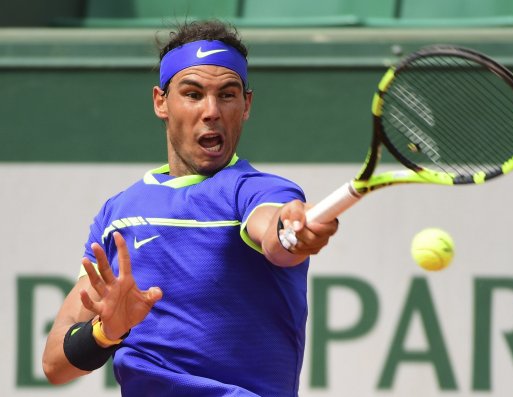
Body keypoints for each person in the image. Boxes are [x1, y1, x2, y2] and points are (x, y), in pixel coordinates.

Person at [42, 19, 338, 397]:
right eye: (193, 94)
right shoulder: (118, 213)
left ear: (246, 105)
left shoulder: (257, 190)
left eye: (227, 95)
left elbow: (276, 234)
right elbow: (55, 364)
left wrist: (294, 234)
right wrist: (105, 332)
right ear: (161, 102)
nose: (211, 110)